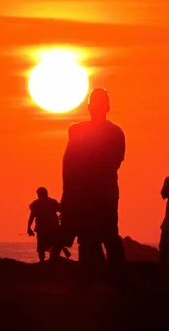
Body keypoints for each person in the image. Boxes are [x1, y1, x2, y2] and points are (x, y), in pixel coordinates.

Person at [60, 88, 126, 286]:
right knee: (89, 238)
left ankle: (115, 280)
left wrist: (70, 191)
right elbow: (68, 163)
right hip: (87, 195)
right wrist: (68, 193)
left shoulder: (113, 133)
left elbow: (112, 162)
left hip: (101, 194)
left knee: (108, 237)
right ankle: (89, 281)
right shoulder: (79, 131)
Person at [27, 187, 64, 262]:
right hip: (52, 227)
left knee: (41, 247)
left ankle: (42, 262)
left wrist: (28, 228)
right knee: (53, 244)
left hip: (43, 228)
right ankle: (52, 260)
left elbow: (32, 216)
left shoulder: (36, 203)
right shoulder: (52, 202)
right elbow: (62, 210)